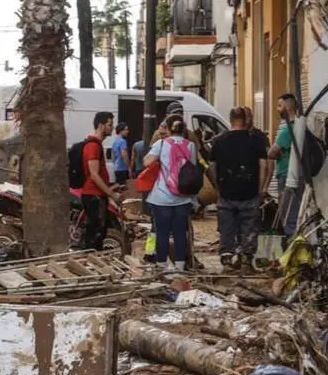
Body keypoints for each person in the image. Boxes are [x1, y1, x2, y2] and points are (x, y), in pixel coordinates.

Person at [209, 108, 270, 269]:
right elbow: (263, 166)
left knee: (227, 226)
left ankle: (227, 258)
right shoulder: (256, 140)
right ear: (245, 120)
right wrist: (261, 188)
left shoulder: (219, 141)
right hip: (250, 192)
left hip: (226, 192)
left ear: (230, 120)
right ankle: (246, 258)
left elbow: (212, 166)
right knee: (249, 225)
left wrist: (217, 187)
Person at [143, 114, 198, 272]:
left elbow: (147, 162)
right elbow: (192, 168)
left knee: (162, 233)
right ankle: (180, 267)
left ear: (168, 128)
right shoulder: (191, 146)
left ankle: (162, 265)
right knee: (181, 233)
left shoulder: (161, 144)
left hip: (161, 197)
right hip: (183, 197)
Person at [267, 93, 305, 236]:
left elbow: (271, 153)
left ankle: (292, 245)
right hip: (300, 176)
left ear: (288, 107)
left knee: (288, 214)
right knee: (297, 212)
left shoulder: (286, 130)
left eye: (280, 106)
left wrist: (279, 153)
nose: (277, 109)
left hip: (286, 176)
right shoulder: (301, 127)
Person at [80, 111, 118, 250]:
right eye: (110, 124)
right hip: (93, 195)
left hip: (96, 194)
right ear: (101, 126)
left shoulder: (96, 145)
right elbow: (94, 174)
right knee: (95, 233)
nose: (112, 128)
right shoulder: (93, 146)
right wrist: (111, 194)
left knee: (98, 232)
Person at [111, 123, 131, 187]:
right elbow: (124, 155)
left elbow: (113, 156)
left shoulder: (115, 141)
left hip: (117, 168)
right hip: (123, 169)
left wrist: (116, 163)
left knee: (119, 187)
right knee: (124, 189)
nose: (128, 131)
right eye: (126, 129)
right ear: (121, 130)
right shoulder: (123, 141)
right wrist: (129, 167)